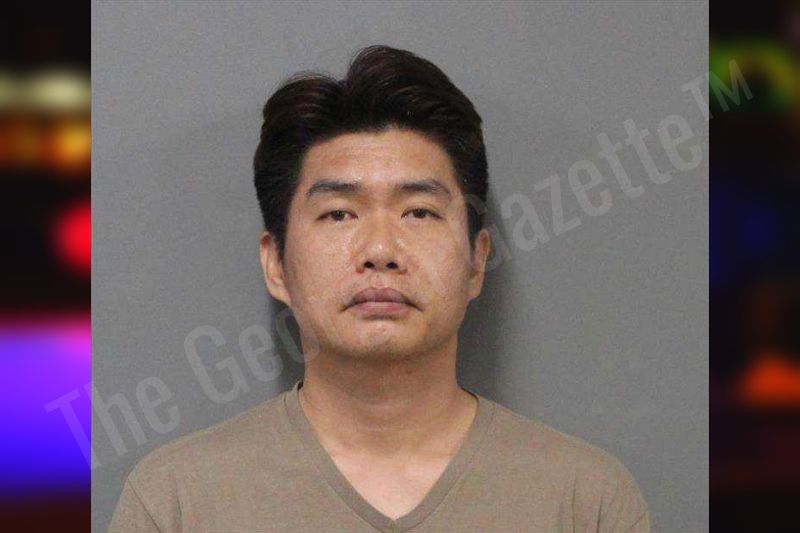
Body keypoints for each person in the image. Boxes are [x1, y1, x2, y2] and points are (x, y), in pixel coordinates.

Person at [108, 45, 650, 533]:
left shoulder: (585, 501)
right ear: (276, 265)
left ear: (476, 261)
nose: (381, 249)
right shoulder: (177, 501)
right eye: (339, 213)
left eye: (419, 212)